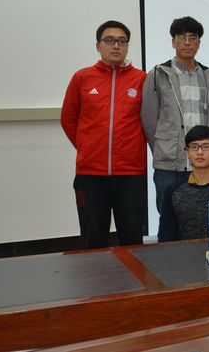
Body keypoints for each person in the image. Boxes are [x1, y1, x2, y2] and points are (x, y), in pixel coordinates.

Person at [60, 20, 147, 249]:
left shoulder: (141, 79)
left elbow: (149, 120)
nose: (116, 46)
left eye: (122, 41)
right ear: (98, 46)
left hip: (130, 174)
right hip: (90, 175)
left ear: (127, 46)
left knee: (132, 238)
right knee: (93, 239)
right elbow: (68, 119)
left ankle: (133, 275)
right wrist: (87, 146)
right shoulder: (82, 78)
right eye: (109, 40)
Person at [141, 16, 209, 213]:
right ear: (173, 42)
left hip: (204, 164)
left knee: (205, 217)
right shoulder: (158, 74)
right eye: (181, 37)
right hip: (170, 165)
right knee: (169, 217)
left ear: (199, 43)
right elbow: (149, 120)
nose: (187, 42)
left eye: (193, 38)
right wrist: (164, 147)